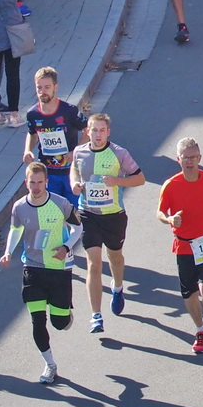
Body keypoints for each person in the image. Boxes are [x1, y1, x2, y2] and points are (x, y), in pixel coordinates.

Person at [0, 162, 77, 386]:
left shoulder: (60, 204)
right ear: (26, 183)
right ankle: (50, 365)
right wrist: (7, 253)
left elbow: (78, 228)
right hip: (32, 269)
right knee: (37, 321)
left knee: (60, 323)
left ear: (46, 182)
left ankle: (65, 315)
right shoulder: (19, 208)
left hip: (58, 270)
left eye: (39, 182)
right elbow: (15, 230)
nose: (35, 187)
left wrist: (65, 247)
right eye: (31, 183)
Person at [69, 112, 144, 335]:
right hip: (88, 214)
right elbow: (74, 170)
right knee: (94, 262)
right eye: (94, 130)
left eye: (102, 130)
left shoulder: (119, 153)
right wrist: (75, 184)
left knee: (115, 257)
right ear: (88, 132)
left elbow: (140, 178)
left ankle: (118, 287)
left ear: (108, 132)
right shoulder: (79, 152)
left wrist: (117, 181)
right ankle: (96, 315)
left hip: (113, 215)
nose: (98, 134)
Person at [156, 136, 203, 352]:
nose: (189, 162)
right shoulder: (171, 185)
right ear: (178, 159)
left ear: (200, 158)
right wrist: (169, 219)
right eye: (185, 158)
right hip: (184, 246)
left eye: (193, 157)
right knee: (189, 294)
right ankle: (200, 330)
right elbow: (160, 211)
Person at [23, 68, 84, 209]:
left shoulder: (69, 111)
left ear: (55, 88)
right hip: (48, 174)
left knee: (73, 214)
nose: (42, 91)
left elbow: (87, 131)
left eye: (47, 87)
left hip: (70, 172)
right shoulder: (33, 114)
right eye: (39, 87)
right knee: (52, 213)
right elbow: (32, 133)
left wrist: (75, 151)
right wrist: (27, 150)